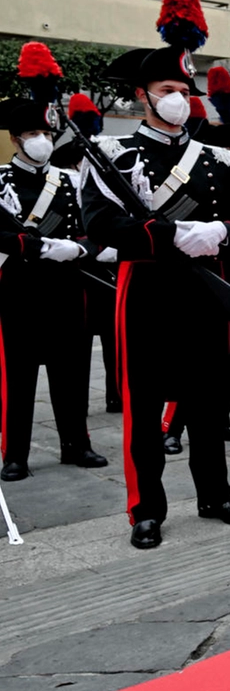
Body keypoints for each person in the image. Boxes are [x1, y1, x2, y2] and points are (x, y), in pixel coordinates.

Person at [81, 0, 230, 548]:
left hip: (206, 294)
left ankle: (215, 494)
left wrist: (220, 233)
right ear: (142, 96)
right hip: (149, 292)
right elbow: (101, 227)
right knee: (144, 403)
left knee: (208, 400)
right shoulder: (113, 156)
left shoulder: (217, 159)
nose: (179, 97)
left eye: (185, 87)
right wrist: (171, 234)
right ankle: (146, 509)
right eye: (167, 88)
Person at [0, 44, 108, 482]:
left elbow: (94, 227)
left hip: (67, 288)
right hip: (19, 288)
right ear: (15, 139)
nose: (41, 141)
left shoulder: (71, 180)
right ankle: (15, 453)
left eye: (45, 133)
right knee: (17, 376)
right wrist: (40, 248)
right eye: (31, 134)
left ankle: (76, 444)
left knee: (72, 371)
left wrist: (80, 248)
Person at [161, 67, 230, 455]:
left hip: (225, 274)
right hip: (184, 271)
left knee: (226, 356)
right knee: (182, 359)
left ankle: (220, 417)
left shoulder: (223, 172)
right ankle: (171, 427)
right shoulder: (191, 172)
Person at [50, 93, 121, 415]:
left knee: (115, 338)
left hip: (107, 275)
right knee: (75, 344)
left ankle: (116, 394)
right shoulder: (64, 187)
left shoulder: (106, 186)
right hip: (78, 273)